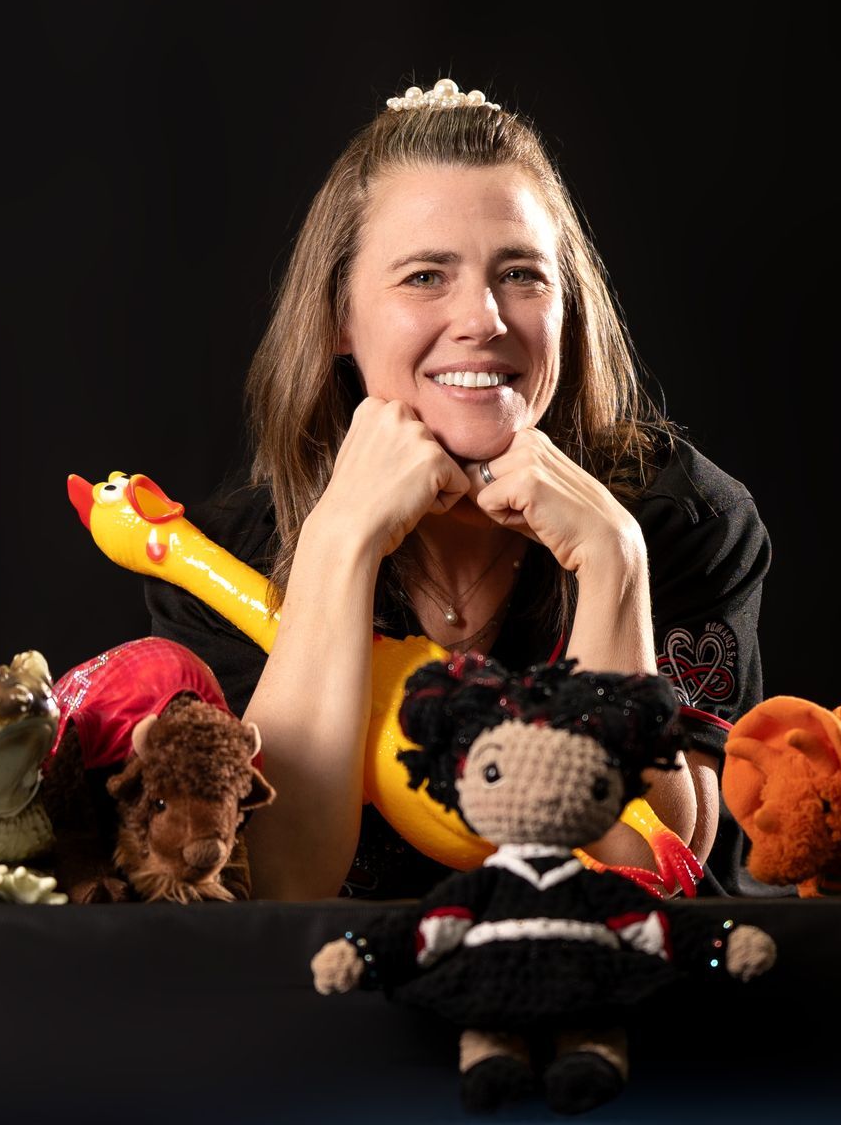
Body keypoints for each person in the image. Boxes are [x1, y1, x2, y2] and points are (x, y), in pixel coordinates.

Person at [148, 78, 770, 900]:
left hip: (614, 1012)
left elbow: (646, 879)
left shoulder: (684, 520)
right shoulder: (218, 559)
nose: (483, 318)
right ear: (340, 317)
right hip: (330, 1012)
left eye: (521, 274)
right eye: (424, 277)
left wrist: (615, 568)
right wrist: (339, 546)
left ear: (566, 308)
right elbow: (276, 886)